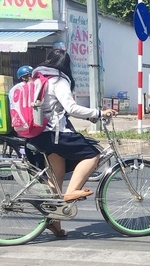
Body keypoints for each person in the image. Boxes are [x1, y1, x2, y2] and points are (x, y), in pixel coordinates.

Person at [25, 48, 116, 237]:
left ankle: (54, 223)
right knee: (93, 154)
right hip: (55, 134)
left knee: (56, 178)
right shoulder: (59, 79)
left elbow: (56, 109)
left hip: (40, 133)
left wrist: (89, 117)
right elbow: (71, 107)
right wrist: (99, 113)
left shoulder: (39, 78)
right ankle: (72, 190)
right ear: (66, 65)